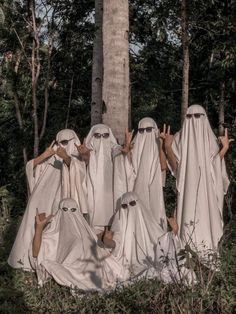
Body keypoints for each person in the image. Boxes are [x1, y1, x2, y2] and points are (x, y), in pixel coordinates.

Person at [8, 129, 88, 270]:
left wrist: (67, 159)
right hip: (44, 202)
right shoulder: (51, 160)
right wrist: (45, 155)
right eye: (58, 143)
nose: (60, 146)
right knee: (39, 229)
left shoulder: (78, 160)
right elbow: (31, 168)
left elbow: (79, 173)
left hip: (62, 204)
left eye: (64, 142)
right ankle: (33, 259)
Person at [163, 104, 232, 257]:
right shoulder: (180, 138)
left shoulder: (210, 139)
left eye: (198, 116)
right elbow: (176, 168)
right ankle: (187, 257)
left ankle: (207, 256)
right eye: (189, 116)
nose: (193, 120)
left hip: (206, 194)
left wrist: (224, 149)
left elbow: (213, 166)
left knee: (206, 224)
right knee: (187, 225)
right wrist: (168, 146)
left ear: (204, 118)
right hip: (187, 190)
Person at [99, 192, 195, 284]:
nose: (128, 208)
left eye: (132, 203)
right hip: (128, 263)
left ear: (138, 203)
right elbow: (116, 243)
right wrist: (106, 240)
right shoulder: (122, 225)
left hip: (149, 260)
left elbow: (162, 241)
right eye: (124, 206)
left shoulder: (149, 224)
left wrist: (174, 231)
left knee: (161, 268)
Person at [31, 198, 123, 291]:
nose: (69, 214)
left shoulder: (86, 232)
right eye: (65, 210)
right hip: (68, 267)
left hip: (90, 268)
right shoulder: (53, 233)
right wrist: (39, 228)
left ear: (78, 212)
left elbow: (99, 249)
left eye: (73, 210)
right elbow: (36, 253)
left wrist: (105, 239)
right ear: (60, 211)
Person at [75, 124, 125, 232]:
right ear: (92, 137)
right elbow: (85, 160)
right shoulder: (88, 152)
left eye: (105, 135)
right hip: (93, 194)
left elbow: (119, 151)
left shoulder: (115, 151)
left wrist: (124, 151)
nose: (101, 139)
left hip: (111, 194)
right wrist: (84, 154)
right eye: (97, 136)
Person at [123, 117, 167, 230]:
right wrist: (127, 147)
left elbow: (163, 167)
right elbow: (129, 168)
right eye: (141, 130)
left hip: (155, 188)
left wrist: (162, 144)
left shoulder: (158, 143)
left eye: (148, 130)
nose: (144, 133)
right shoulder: (135, 145)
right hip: (138, 189)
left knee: (155, 217)